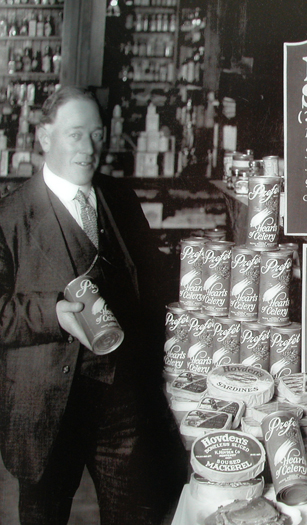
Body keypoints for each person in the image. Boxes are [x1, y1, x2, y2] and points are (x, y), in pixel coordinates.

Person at [0, 87, 187, 524]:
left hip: (120, 401)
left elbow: (152, 280)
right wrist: (53, 313)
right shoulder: (9, 217)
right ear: (45, 137)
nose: (89, 149)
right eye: (75, 135)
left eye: (97, 135)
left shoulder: (119, 199)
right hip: (46, 405)